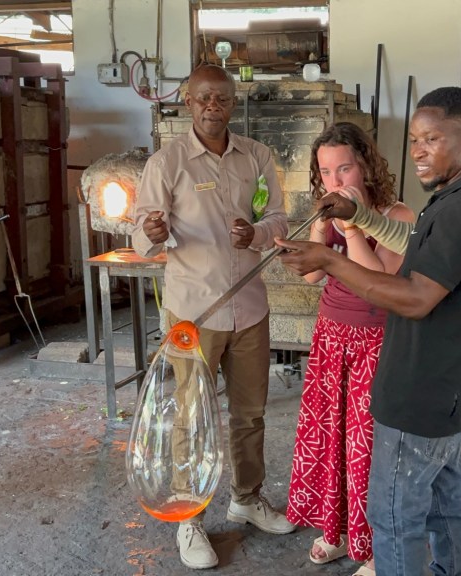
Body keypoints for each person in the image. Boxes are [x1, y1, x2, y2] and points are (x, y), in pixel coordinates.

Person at [276, 87, 461, 575]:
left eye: (432, 139)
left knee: (394, 517)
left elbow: (416, 297)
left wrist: (332, 258)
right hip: (446, 387)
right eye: (415, 139)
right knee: (443, 502)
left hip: (418, 390)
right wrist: (357, 218)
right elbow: (412, 242)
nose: (419, 150)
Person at [131, 63, 294, 570]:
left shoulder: (257, 157)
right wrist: (152, 234)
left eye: (221, 99)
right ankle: (190, 517)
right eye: (203, 98)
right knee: (190, 418)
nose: (212, 107)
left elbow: (278, 218)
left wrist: (257, 234)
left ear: (232, 104)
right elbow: (139, 232)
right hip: (193, 314)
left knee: (250, 414)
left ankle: (246, 498)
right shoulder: (167, 163)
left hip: (250, 309)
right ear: (187, 102)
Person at [286, 123, 414, 575]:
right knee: (330, 439)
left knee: (367, 447)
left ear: (366, 166)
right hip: (331, 337)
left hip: (375, 342)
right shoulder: (329, 212)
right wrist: (321, 227)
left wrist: (354, 226)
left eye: (344, 169)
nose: (335, 181)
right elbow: (313, 275)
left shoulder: (397, 215)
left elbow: (379, 281)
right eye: (326, 172)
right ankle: (337, 531)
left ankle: (377, 547)